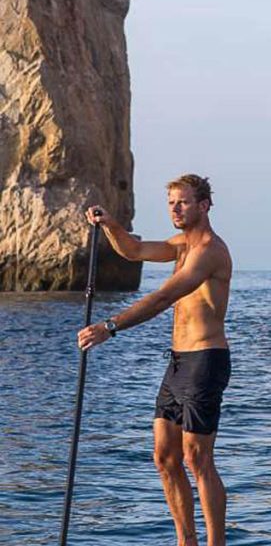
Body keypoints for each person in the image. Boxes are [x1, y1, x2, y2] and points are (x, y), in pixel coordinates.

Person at [77, 174, 232, 546]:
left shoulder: (210, 250)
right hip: (178, 362)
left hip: (205, 361)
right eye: (171, 203)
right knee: (164, 457)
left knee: (197, 459)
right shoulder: (180, 246)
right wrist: (111, 224)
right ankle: (185, 541)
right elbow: (133, 250)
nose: (175, 209)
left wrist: (110, 327)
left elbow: (163, 298)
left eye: (183, 202)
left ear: (204, 205)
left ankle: (216, 543)